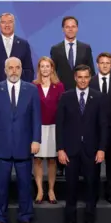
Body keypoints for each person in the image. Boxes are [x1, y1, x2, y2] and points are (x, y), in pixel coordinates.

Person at [0, 57, 41, 223]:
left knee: (25, 186)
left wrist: (36, 140)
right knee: (1, 186)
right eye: (10, 68)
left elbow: (36, 118)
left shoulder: (31, 90)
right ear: (5, 70)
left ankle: (25, 217)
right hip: (1, 146)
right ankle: (0, 218)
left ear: (21, 70)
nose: (14, 71)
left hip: (24, 146)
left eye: (17, 67)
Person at [56, 64, 107, 223]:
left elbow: (103, 126)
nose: (83, 80)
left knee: (91, 187)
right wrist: (60, 149)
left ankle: (90, 221)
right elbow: (60, 126)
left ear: (90, 78)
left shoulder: (98, 97)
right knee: (71, 188)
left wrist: (101, 149)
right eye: (80, 77)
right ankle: (71, 222)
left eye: (86, 77)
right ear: (75, 78)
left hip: (92, 151)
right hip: (70, 151)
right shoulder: (66, 97)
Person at [89, 53, 111, 203]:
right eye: (102, 62)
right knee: (93, 165)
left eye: (107, 63)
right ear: (97, 65)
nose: (104, 65)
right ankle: (94, 193)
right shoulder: (89, 81)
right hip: (93, 131)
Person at [33, 57, 65, 204]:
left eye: (48, 66)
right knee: (38, 159)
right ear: (39, 69)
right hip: (38, 127)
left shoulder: (59, 86)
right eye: (42, 66)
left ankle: (51, 190)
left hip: (54, 127)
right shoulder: (33, 86)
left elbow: (63, 108)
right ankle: (40, 190)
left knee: (52, 160)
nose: (45, 69)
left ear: (52, 68)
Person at [0, 13, 34, 82]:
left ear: (14, 24)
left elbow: (29, 70)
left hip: (19, 88)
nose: (7, 25)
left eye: (10, 22)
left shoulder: (23, 44)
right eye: (3, 22)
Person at [49, 16, 95, 91]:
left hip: (82, 91)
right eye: (67, 27)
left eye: (73, 26)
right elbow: (52, 73)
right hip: (62, 92)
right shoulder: (55, 49)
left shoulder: (86, 48)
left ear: (77, 28)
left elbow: (91, 71)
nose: (70, 29)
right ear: (63, 29)